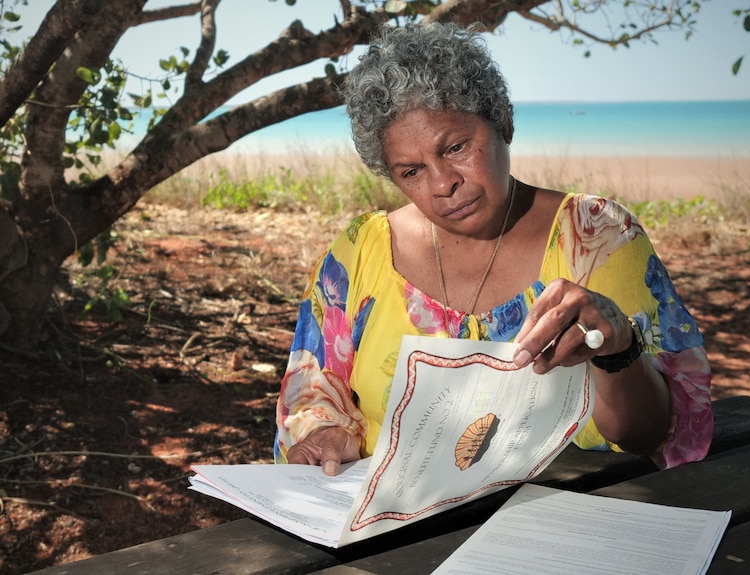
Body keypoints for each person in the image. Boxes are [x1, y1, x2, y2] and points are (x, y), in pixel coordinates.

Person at [274, 22, 712, 476]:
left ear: (503, 122)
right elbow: (310, 395)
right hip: (394, 537)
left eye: (457, 147)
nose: (444, 184)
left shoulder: (596, 237)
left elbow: (647, 433)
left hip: (573, 519)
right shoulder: (360, 253)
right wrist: (321, 435)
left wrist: (617, 348)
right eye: (411, 172)